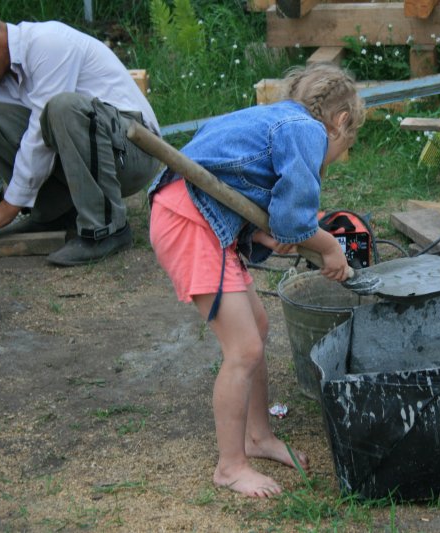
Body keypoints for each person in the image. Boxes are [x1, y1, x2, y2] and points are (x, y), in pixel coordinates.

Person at [148, 62, 365, 497]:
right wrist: (327, 246)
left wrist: (263, 233)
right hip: (189, 223)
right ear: (340, 121)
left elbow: (233, 182)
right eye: (346, 145)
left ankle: (259, 437)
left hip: (203, 218)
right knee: (243, 349)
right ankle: (230, 466)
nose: (337, 155)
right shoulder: (306, 130)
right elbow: (295, 219)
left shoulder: (274, 120)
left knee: (258, 329)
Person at [0, 7, 161, 266]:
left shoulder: (48, 43)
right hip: (95, 148)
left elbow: (38, 136)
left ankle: (106, 228)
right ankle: (54, 217)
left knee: (62, 107)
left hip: (135, 151)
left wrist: (8, 206)